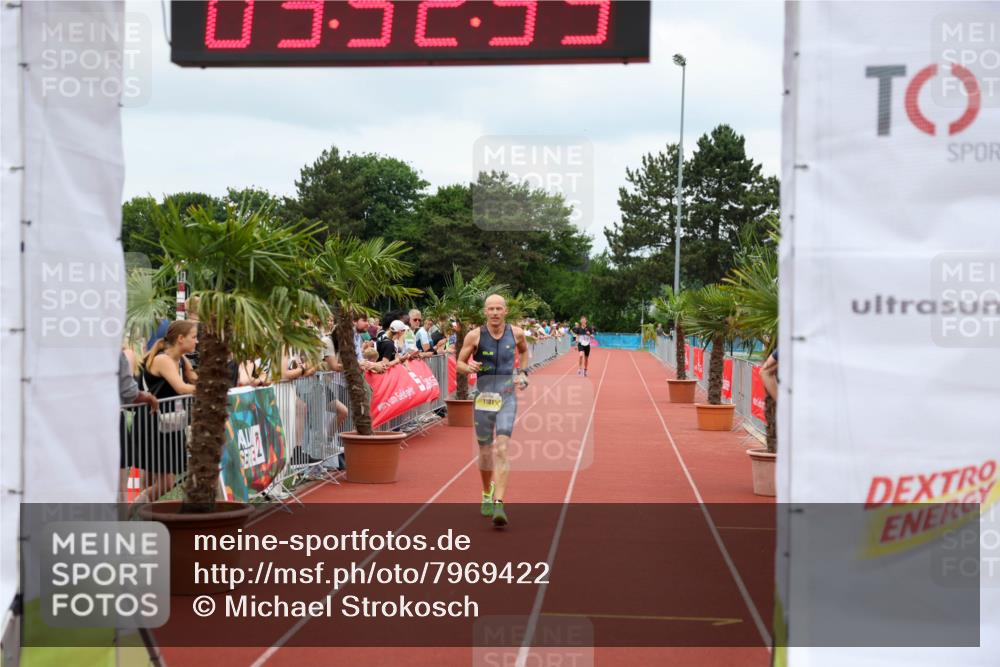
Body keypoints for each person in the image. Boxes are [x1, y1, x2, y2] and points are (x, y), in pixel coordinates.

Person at [456, 294, 530, 528]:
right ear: (485, 312)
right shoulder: (474, 335)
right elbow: (458, 362)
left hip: (507, 396)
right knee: (486, 451)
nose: (495, 312)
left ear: (505, 311)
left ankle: (499, 501)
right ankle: (487, 492)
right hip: (484, 398)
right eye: (491, 309)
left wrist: (523, 373)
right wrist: (468, 367)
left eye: (499, 308)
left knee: (502, 447)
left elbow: (525, 352)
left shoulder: (516, 333)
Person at [138, 320, 198, 505]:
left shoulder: (178, 359)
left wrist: (189, 369)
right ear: (180, 339)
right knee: (167, 480)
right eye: (194, 337)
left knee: (150, 473)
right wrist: (209, 388)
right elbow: (180, 388)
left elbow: (193, 380)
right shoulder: (163, 360)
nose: (197, 342)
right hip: (155, 421)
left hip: (168, 421)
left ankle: (144, 514)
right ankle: (133, 510)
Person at [118, 349, 158, 504]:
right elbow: (129, 392)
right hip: (110, 421)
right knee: (119, 486)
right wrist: (148, 398)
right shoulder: (114, 352)